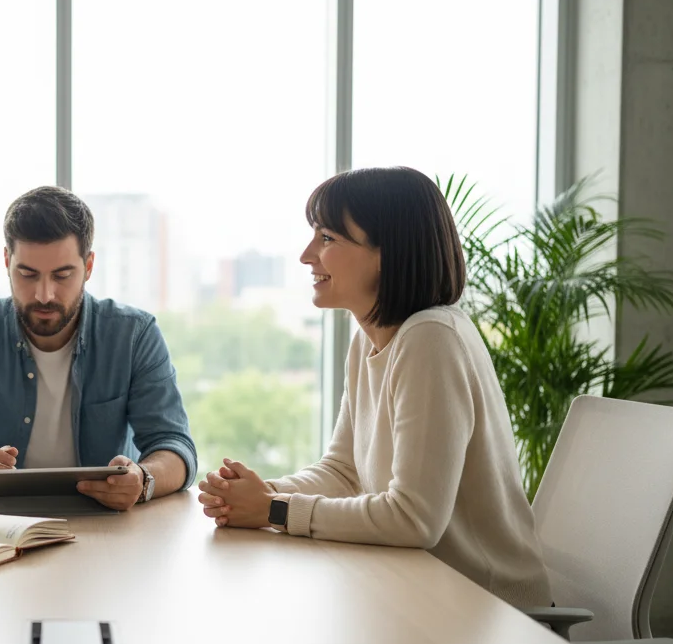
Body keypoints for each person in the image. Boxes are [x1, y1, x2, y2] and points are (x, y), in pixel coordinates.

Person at [197, 167, 551, 608]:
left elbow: (414, 519)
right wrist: (260, 493)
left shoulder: (431, 339)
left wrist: (274, 510)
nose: (307, 255)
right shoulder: (370, 337)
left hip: (490, 613)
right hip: (420, 592)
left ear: (387, 252)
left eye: (327, 238)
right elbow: (344, 473)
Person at [0, 185, 196, 511]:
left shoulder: (134, 335)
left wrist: (143, 479)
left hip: (107, 526)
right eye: (28, 274)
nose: (44, 294)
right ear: (6, 261)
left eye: (62, 275)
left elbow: (174, 445)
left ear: (88, 266)